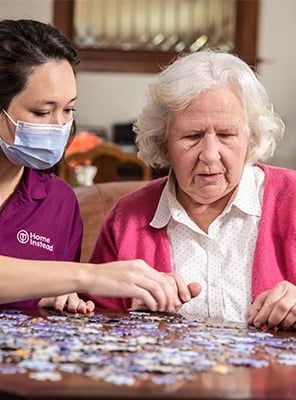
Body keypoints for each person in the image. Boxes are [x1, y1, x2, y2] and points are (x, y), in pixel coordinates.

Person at [0, 19, 174, 316]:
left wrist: (61, 301)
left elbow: (47, 305)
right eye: (42, 111)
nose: (59, 126)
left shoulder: (60, 201)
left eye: (68, 110)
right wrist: (93, 276)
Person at [88, 50, 296, 329]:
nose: (210, 154)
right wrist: (130, 320)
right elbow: (94, 326)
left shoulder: (292, 199)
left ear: (251, 137)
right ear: (164, 143)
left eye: (226, 135)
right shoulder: (125, 219)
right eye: (192, 136)